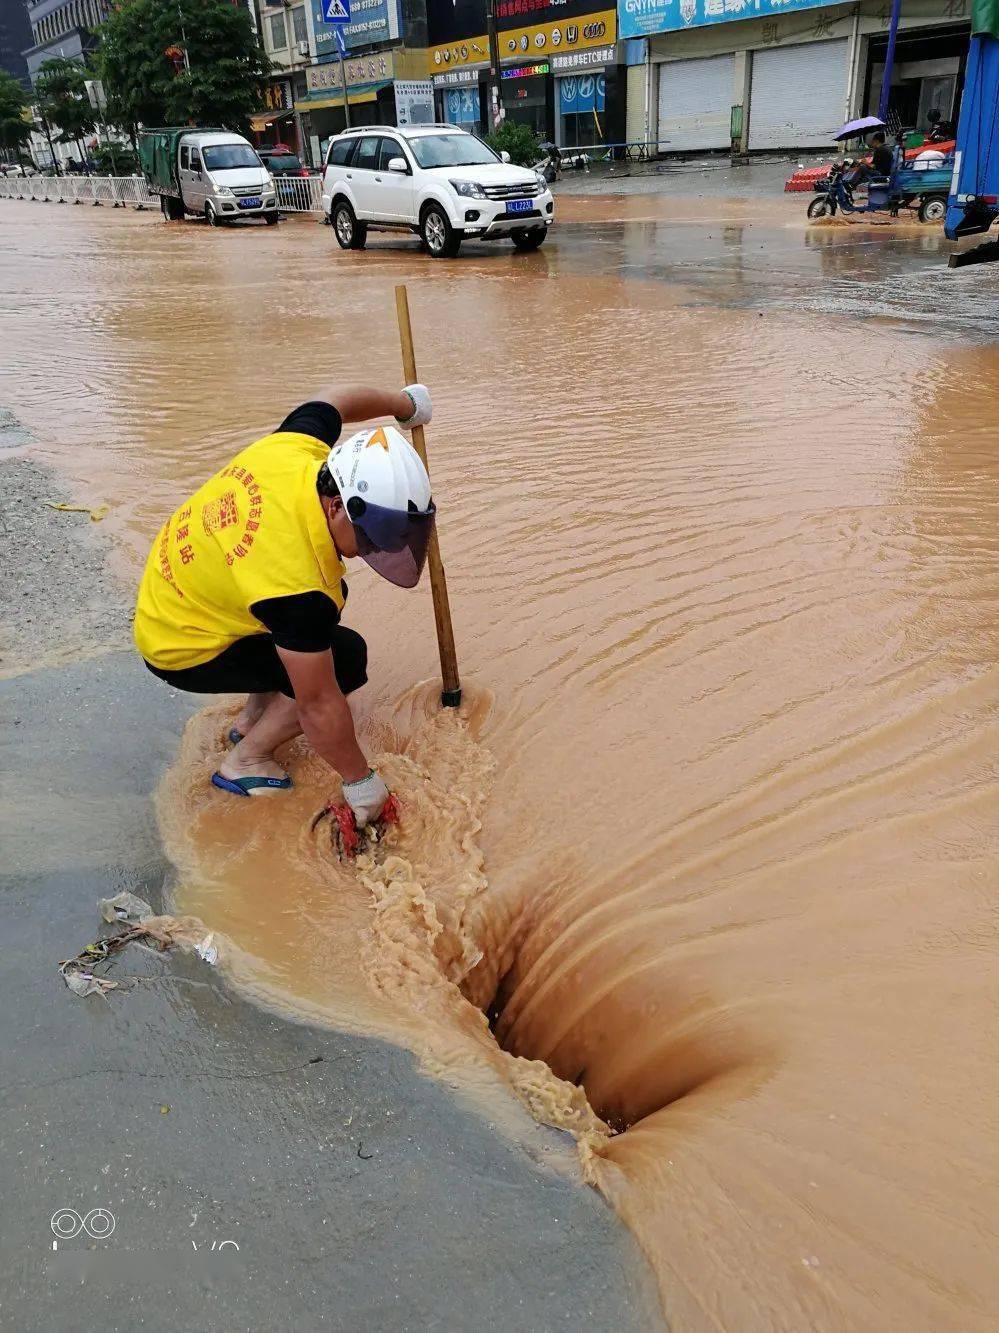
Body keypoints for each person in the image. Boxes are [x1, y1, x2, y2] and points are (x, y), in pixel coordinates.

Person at [133, 384, 436, 824]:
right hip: (180, 648)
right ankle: (246, 759)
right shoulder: (297, 589)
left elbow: (337, 401)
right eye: (375, 531)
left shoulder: (296, 448)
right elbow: (318, 704)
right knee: (346, 660)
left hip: (178, 594)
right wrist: (361, 783)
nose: (383, 545)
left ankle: (252, 720)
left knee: (320, 620)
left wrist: (405, 406)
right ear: (336, 507)